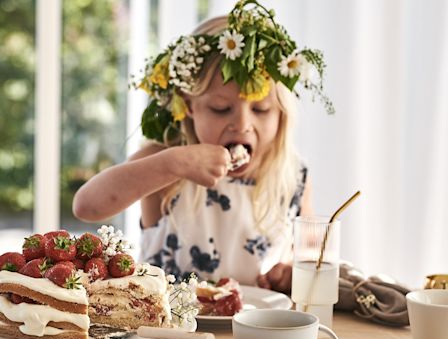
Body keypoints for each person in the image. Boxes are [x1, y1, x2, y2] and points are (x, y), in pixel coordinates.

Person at [72, 0, 333, 293]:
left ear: (282, 113)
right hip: (172, 332)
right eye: (221, 109)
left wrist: (289, 274)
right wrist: (172, 164)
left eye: (260, 109)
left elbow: (314, 262)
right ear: (190, 105)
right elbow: (87, 206)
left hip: (256, 330)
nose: (243, 125)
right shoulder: (164, 162)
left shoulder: (292, 176)